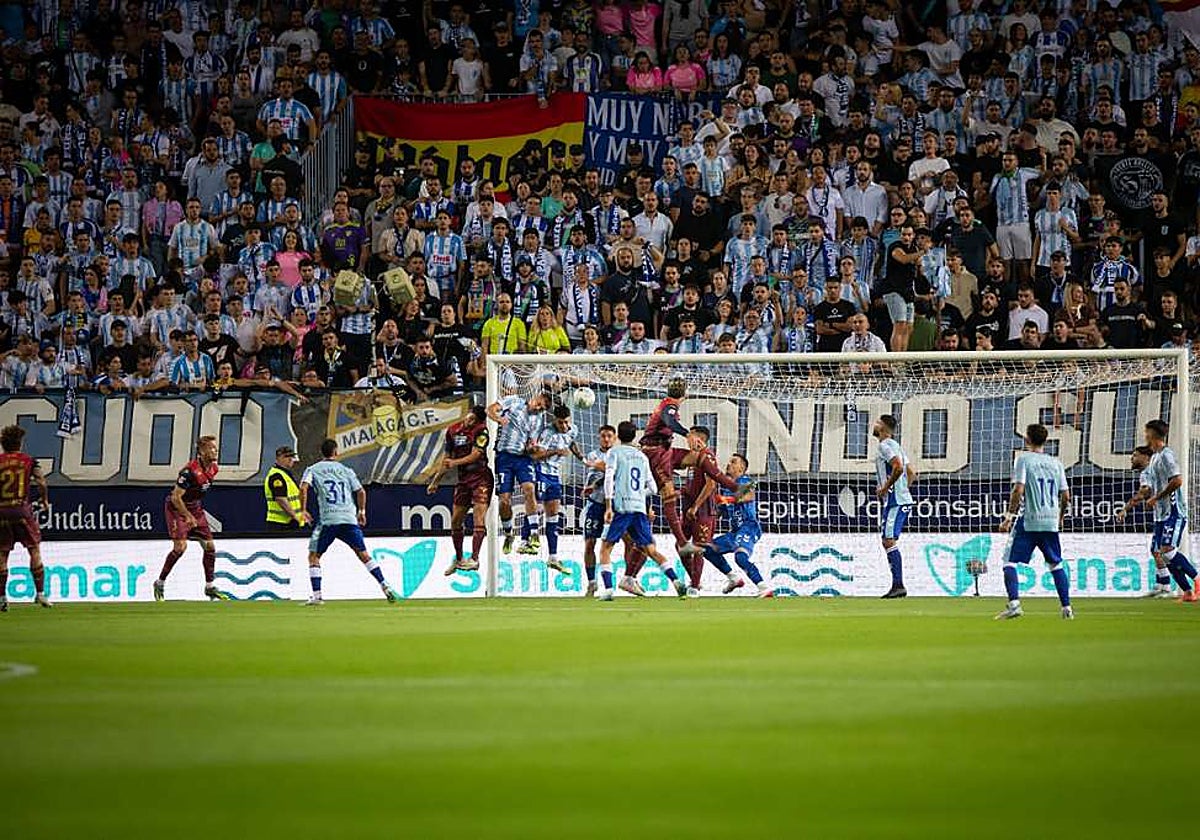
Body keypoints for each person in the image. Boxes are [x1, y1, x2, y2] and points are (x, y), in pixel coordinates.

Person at [297, 438, 401, 606]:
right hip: (348, 518)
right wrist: (361, 511)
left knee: (314, 556)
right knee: (363, 554)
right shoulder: (346, 470)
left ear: (321, 453)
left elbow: (303, 487)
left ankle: (317, 596)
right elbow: (360, 491)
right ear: (336, 452)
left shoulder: (312, 469)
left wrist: (303, 509)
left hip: (328, 520)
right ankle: (384, 584)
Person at [598, 420, 687, 600]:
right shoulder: (642, 457)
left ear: (618, 436)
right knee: (651, 550)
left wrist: (609, 505)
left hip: (622, 508)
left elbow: (608, 478)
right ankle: (676, 581)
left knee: (606, 548)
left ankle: (607, 590)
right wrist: (638, 494)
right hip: (639, 508)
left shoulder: (614, 452)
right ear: (634, 436)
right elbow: (653, 488)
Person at [996, 423, 1073, 620]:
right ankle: (1067, 608)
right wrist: (1060, 517)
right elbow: (1066, 496)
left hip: (1029, 520)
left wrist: (1008, 517)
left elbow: (1018, 490)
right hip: (1050, 521)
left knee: (1009, 561)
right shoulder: (1056, 463)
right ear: (1045, 440)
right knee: (1055, 564)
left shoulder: (1024, 460)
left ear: (1027, 439)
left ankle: (1014, 605)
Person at [154, 435, 227, 602]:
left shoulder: (214, 468)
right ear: (201, 452)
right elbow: (175, 497)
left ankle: (209, 587)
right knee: (180, 547)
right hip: (177, 508)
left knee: (210, 547)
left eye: (215, 448)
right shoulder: (189, 471)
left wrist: (194, 513)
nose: (215, 451)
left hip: (195, 507)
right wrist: (187, 516)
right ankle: (159, 583)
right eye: (211, 448)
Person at [678, 425, 746, 596]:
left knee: (699, 547)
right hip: (689, 509)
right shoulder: (693, 459)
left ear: (699, 439)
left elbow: (711, 484)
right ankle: (696, 581)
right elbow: (693, 484)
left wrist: (696, 506)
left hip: (703, 511)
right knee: (681, 546)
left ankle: (694, 587)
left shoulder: (708, 457)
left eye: (690, 437)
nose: (688, 439)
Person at [426, 405, 493, 576]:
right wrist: (435, 481)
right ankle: (459, 558)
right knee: (456, 521)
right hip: (463, 480)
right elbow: (446, 458)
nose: (470, 422)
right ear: (467, 413)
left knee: (479, 518)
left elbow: (476, 454)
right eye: (469, 417)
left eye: (474, 421)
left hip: (481, 478)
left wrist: (454, 463)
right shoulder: (452, 430)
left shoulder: (482, 431)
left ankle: (475, 559)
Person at [1135, 421, 1197, 602]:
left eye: (1146, 432)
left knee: (1168, 551)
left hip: (1174, 511)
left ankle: (1196, 579)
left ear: (1153, 434)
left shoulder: (1167, 455)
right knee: (1162, 553)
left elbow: (1177, 481)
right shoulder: (1154, 457)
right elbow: (1155, 485)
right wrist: (1147, 494)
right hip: (1161, 515)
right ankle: (1187, 592)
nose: (1144, 435)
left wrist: (1157, 497)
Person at [702, 452, 773, 597]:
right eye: (729, 462)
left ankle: (764, 588)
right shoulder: (727, 488)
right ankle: (733, 579)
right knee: (707, 549)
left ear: (741, 468)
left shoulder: (745, 480)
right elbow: (719, 512)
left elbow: (748, 496)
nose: (729, 464)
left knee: (740, 557)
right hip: (735, 532)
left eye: (733, 462)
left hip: (749, 527)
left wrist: (726, 500)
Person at [638, 377, 694, 559]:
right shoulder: (670, 406)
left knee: (699, 458)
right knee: (668, 493)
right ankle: (683, 542)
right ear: (684, 393)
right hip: (655, 452)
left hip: (665, 450)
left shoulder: (667, 402)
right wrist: (687, 434)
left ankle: (694, 490)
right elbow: (668, 421)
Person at [487, 389, 548, 553]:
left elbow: (532, 442)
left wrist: (532, 447)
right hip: (504, 457)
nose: (538, 408)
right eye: (540, 404)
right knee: (504, 501)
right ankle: (508, 533)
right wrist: (499, 419)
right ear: (537, 396)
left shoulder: (538, 419)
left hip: (522, 458)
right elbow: (490, 409)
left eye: (542, 408)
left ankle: (534, 534)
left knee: (529, 490)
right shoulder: (513, 401)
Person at [0, 425, 51, 611]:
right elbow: (41, 481)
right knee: (34, 549)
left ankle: (2, 598)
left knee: (2, 554)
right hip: (22, 510)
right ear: (20, 444)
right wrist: (44, 500)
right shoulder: (28, 461)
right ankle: (40, 594)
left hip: (1, 511)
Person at [1116, 446, 1174, 599]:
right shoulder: (1153, 471)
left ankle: (1172, 586)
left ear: (1145, 457)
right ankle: (1162, 585)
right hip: (1162, 514)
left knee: (1164, 551)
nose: (1132, 458)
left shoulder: (1147, 472)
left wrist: (1125, 508)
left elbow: (1144, 492)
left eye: (1135, 455)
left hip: (1166, 514)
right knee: (1156, 550)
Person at [531, 404, 585, 572]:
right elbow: (536, 455)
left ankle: (553, 557)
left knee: (553, 516)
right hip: (541, 472)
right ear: (555, 420)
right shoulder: (547, 433)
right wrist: (556, 451)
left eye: (566, 422)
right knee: (535, 507)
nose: (564, 426)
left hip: (554, 477)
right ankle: (527, 540)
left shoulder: (572, 429)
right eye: (561, 423)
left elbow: (572, 442)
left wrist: (581, 457)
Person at [874, 414, 916, 599]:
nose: (873, 425)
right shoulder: (896, 446)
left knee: (888, 540)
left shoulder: (884, 446)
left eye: (877, 422)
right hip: (901, 500)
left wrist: (885, 488)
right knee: (888, 540)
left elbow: (898, 467)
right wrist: (902, 490)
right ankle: (898, 585)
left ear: (883, 427)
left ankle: (898, 586)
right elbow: (912, 473)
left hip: (895, 501)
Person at [264, 446, 304, 531]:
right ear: (278, 458)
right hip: (280, 523)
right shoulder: (276, 476)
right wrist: (295, 516)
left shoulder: (285, 473)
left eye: (292, 456)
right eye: (286, 456)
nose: (290, 459)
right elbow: (281, 499)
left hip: (289, 522)